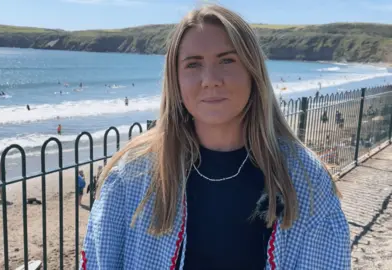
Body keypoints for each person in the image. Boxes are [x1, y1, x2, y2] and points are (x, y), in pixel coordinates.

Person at [81, 4, 350, 270]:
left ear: (253, 71)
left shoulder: (305, 180)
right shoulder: (133, 176)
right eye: (193, 64)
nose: (210, 79)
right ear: (175, 80)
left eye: (227, 60)